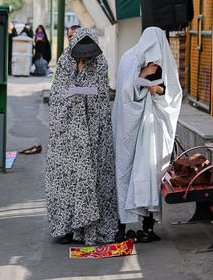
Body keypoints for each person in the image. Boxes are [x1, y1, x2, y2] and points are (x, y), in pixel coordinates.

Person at [46, 28, 118, 245]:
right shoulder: (65, 61)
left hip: (94, 133)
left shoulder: (100, 62)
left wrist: (81, 92)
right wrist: (74, 92)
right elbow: (57, 93)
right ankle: (67, 227)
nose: (84, 58)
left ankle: (90, 228)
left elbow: (101, 95)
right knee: (66, 181)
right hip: (67, 135)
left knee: (94, 179)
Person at [112, 26, 182, 242]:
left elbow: (172, 93)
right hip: (129, 131)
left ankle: (147, 226)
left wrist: (156, 90)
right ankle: (121, 227)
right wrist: (142, 76)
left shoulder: (163, 62)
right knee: (124, 172)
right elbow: (125, 94)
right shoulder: (130, 58)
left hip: (152, 133)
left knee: (150, 174)